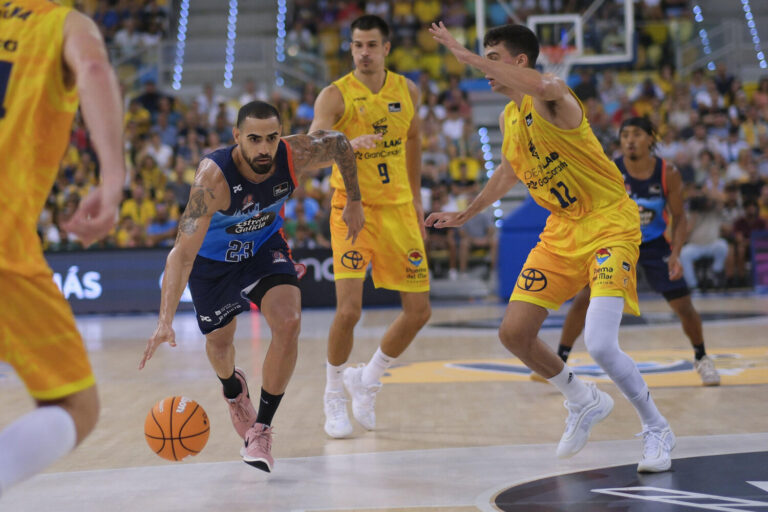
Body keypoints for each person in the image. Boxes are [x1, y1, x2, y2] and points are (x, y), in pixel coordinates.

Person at [427, 22, 675, 473]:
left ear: (519, 61)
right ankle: (582, 399)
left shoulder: (553, 95)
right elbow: (507, 172)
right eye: (483, 58)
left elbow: (542, 83)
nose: (486, 69)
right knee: (513, 333)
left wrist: (465, 54)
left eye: (494, 58)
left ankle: (656, 428)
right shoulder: (507, 118)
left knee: (600, 343)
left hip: (608, 224)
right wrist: (468, 212)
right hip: (562, 230)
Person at [138, 101, 365, 472]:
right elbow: (180, 256)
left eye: (272, 138)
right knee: (220, 343)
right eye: (255, 139)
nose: (264, 148)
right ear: (237, 137)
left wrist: (353, 199)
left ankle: (261, 429)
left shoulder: (295, 154)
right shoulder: (213, 179)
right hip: (213, 265)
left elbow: (339, 143)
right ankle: (233, 390)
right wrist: (164, 321)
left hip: (264, 249)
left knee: (289, 322)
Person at [0, 1, 125, 497]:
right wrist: (112, 179)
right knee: (77, 406)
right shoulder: (63, 24)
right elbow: (93, 66)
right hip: (4, 242)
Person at [309, 15, 431, 439]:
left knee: (419, 312)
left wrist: (416, 197)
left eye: (371, 45)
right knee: (349, 310)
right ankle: (333, 395)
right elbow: (309, 151)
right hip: (352, 210)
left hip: (398, 209)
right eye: (357, 45)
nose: (363, 52)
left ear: (386, 48)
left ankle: (368, 378)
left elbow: (413, 139)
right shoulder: (335, 96)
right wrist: (344, 145)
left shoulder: (407, 89)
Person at [542, 118, 720, 387]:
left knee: (683, 305)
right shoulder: (609, 168)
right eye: (625, 135)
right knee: (585, 297)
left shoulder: (667, 172)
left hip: (654, 243)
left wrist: (676, 253)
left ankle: (702, 356)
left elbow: (680, 217)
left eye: (636, 134)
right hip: (616, 242)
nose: (630, 140)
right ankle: (559, 360)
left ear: (651, 139)